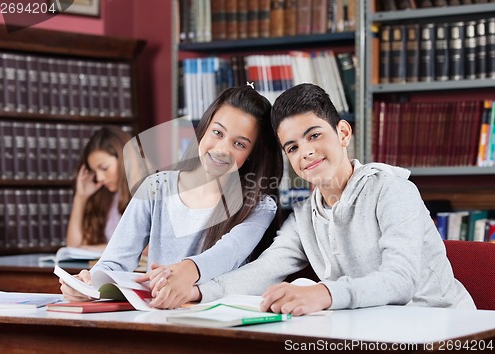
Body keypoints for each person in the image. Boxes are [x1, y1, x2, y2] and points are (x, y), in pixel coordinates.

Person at [193, 83, 476, 315]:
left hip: (443, 326)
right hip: (375, 331)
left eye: (314, 135)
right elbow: (264, 270)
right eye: (292, 147)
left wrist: (324, 293)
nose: (306, 152)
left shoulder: (393, 191)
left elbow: (401, 280)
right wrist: (199, 292)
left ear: (343, 133)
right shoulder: (304, 218)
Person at [59, 86, 283, 309]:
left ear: (251, 155)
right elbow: (115, 260)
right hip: (157, 317)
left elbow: (229, 252)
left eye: (239, 144)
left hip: (218, 320)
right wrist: (89, 283)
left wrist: (185, 271)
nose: (222, 149)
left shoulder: (260, 206)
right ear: (204, 128)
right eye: (218, 132)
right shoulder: (156, 187)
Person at [66, 126, 132, 252]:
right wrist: (80, 198)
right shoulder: (106, 198)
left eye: (104, 168)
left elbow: (149, 247)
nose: (100, 178)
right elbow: (74, 248)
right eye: (94, 172)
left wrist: (102, 249)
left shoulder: (151, 192)